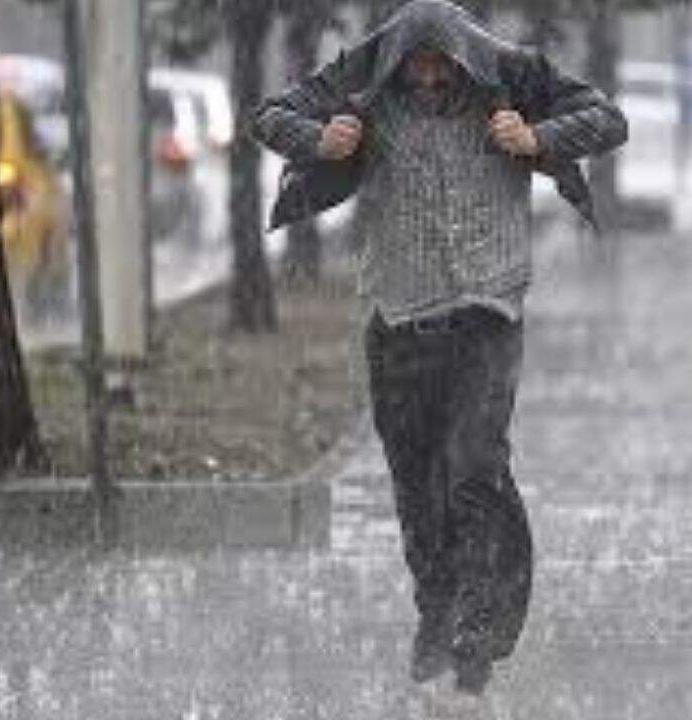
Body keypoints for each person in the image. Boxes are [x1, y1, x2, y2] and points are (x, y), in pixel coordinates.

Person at [250, 0, 627, 698]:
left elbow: (608, 120)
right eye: (414, 66)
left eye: (439, 65)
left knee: (475, 471)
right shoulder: (365, 75)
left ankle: (476, 640)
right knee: (419, 490)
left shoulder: (511, 74)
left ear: (463, 60)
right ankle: (437, 615)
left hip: (487, 312)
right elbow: (270, 117)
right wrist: (318, 139)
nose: (426, 78)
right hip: (397, 319)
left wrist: (535, 137)